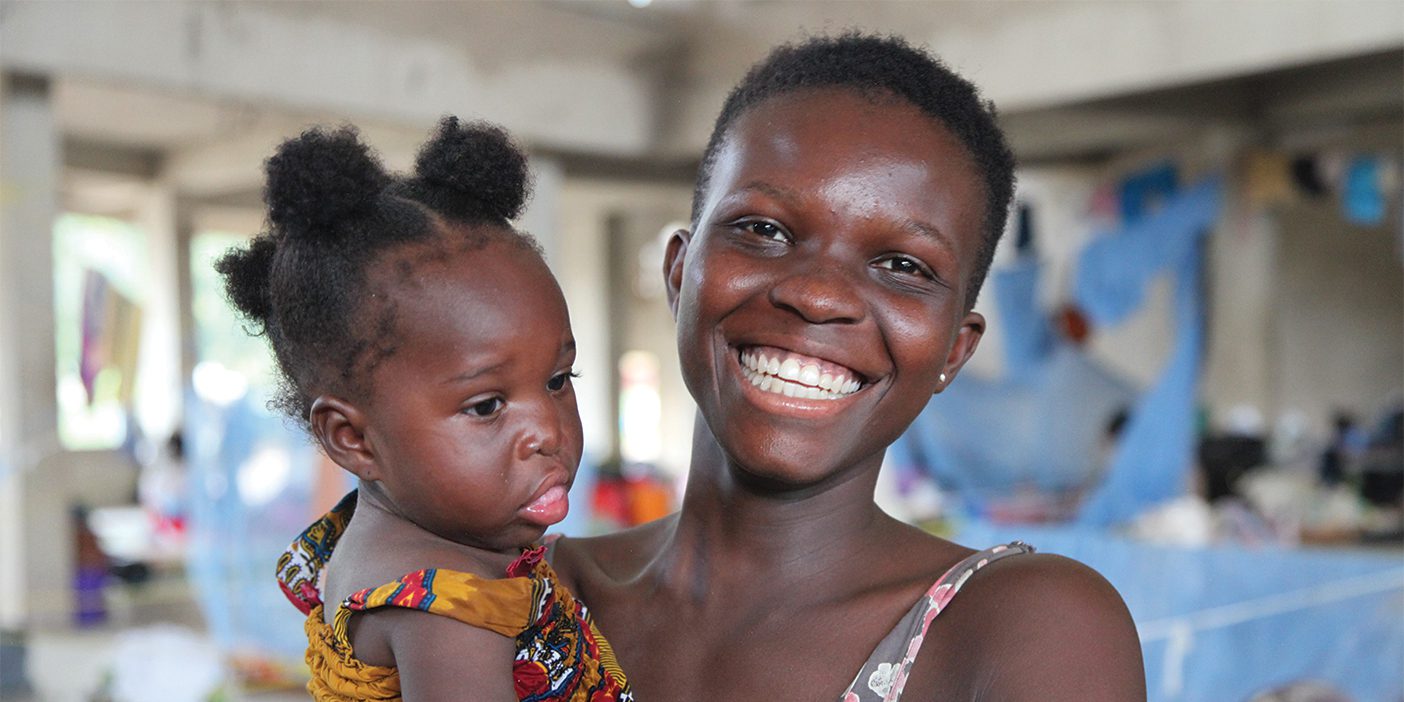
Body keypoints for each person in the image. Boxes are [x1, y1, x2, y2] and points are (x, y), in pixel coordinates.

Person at [551, 34, 1145, 700]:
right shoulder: (525, 598)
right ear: (680, 270)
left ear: (954, 349)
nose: (818, 294)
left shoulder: (1026, 626)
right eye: (765, 230)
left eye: (903, 267)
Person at [217, 118, 630, 701]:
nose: (547, 430)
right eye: (487, 406)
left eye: (558, 379)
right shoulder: (450, 614)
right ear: (354, 440)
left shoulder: (398, 538)